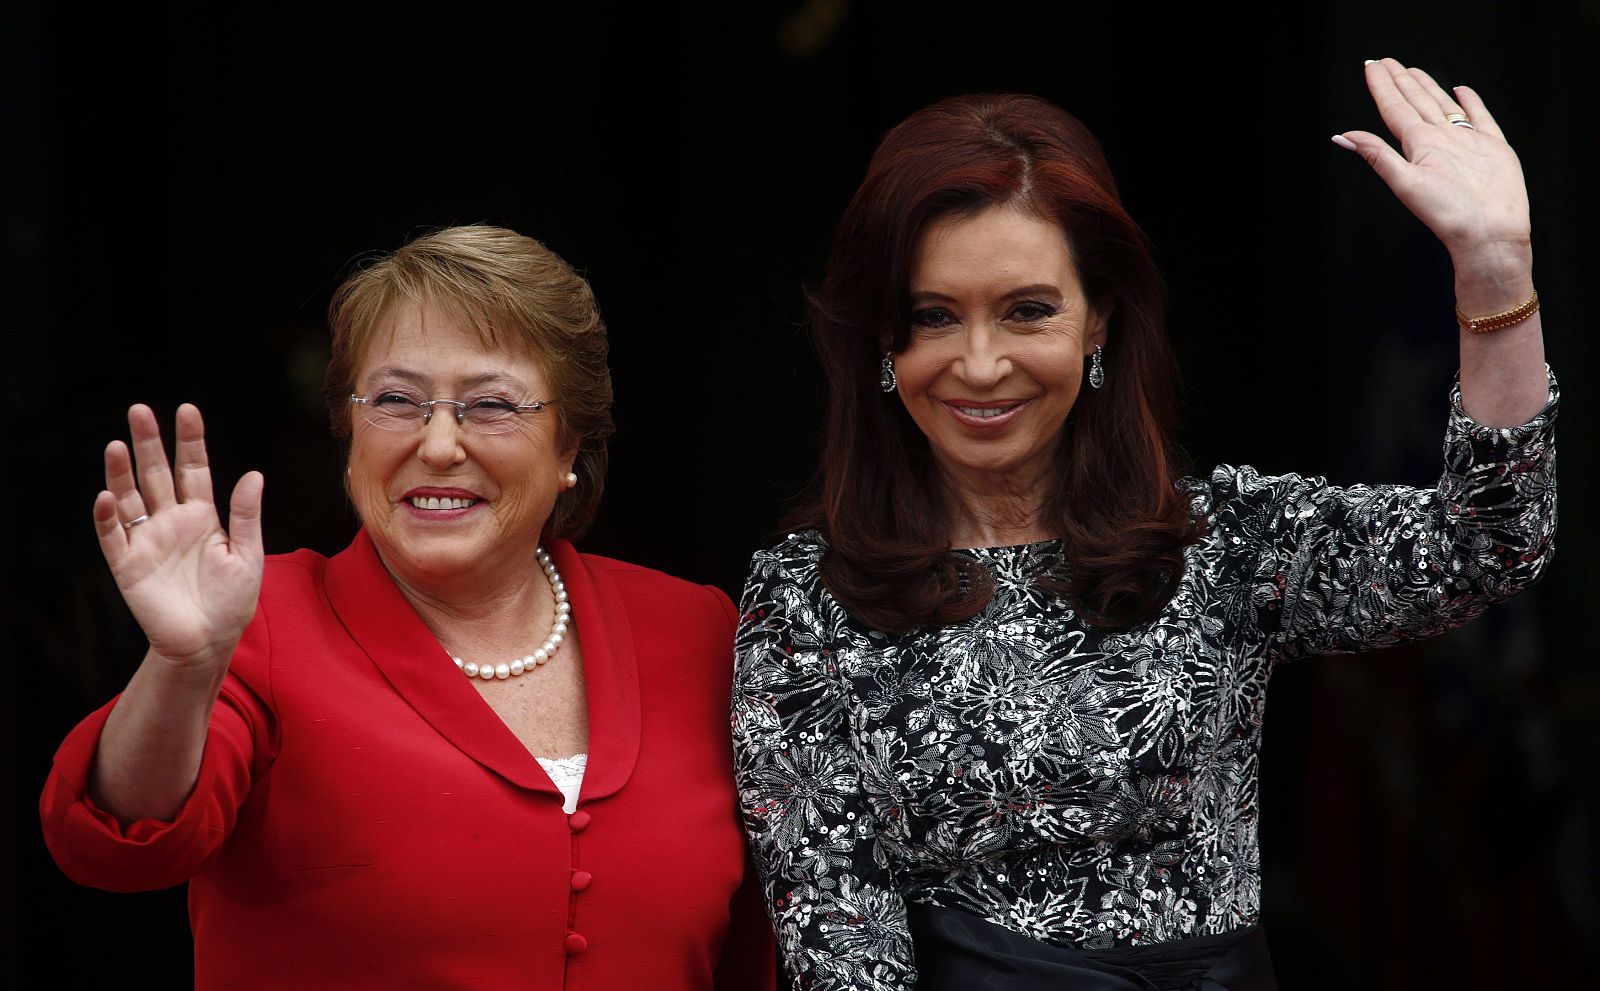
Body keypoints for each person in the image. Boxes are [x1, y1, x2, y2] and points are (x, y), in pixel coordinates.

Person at [732, 60, 1555, 990]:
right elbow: (840, 945)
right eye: (932, 316)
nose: (980, 362)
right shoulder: (808, 598)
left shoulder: (1219, 541)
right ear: (884, 340)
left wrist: (1494, 271)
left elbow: (1486, 542)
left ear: (1098, 325)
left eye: (1027, 311)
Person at [41, 225, 775, 989]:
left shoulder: (699, 629)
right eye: (396, 399)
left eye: (491, 405)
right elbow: (121, 838)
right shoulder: (265, 619)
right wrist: (181, 664)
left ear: (569, 446)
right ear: (348, 429)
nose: (439, 444)